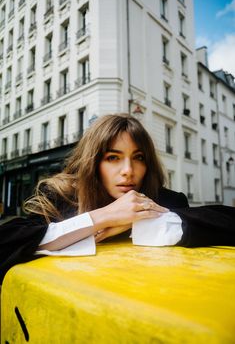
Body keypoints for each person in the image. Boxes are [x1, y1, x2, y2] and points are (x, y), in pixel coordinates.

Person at [0, 114, 234, 284]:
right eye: (113, 157)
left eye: (138, 157)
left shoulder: (165, 199)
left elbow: (226, 221)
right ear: (93, 163)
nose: (128, 171)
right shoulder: (60, 197)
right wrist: (104, 217)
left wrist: (140, 219)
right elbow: (7, 241)